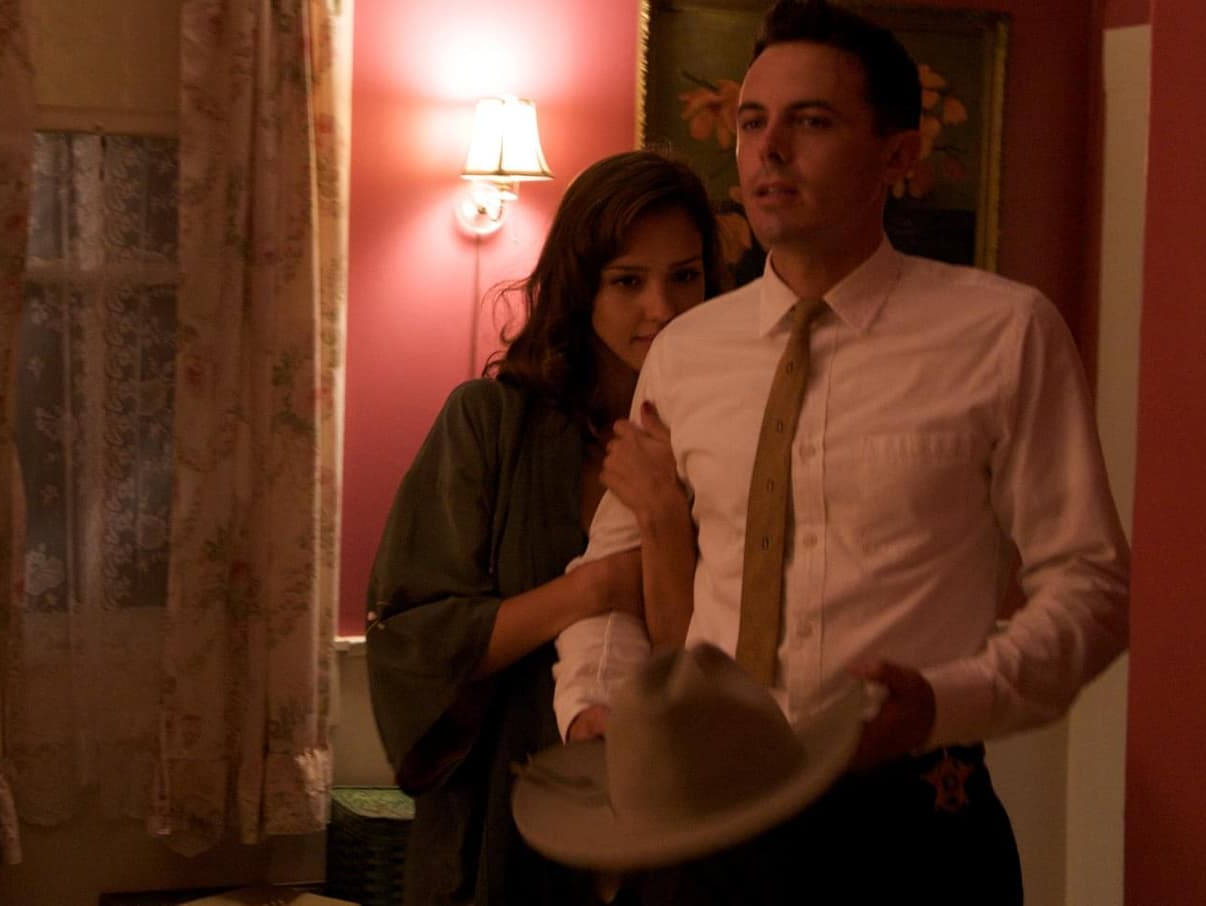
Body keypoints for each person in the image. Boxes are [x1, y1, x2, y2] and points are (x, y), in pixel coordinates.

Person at [551, 1, 1130, 903]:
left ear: (898, 156)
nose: (769, 150)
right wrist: (594, 701)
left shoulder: (1003, 334)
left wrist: (946, 700)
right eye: (752, 122)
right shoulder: (687, 353)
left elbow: (1091, 588)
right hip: (706, 819)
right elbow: (611, 572)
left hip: (912, 822)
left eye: (811, 122)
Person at [364, 149, 721, 906]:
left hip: (665, 821)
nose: (662, 308)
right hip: (496, 823)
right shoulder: (488, 425)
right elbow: (416, 637)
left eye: (685, 276)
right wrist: (595, 588)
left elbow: (717, 658)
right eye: (628, 281)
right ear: (580, 284)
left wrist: (663, 528)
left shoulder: (724, 445)